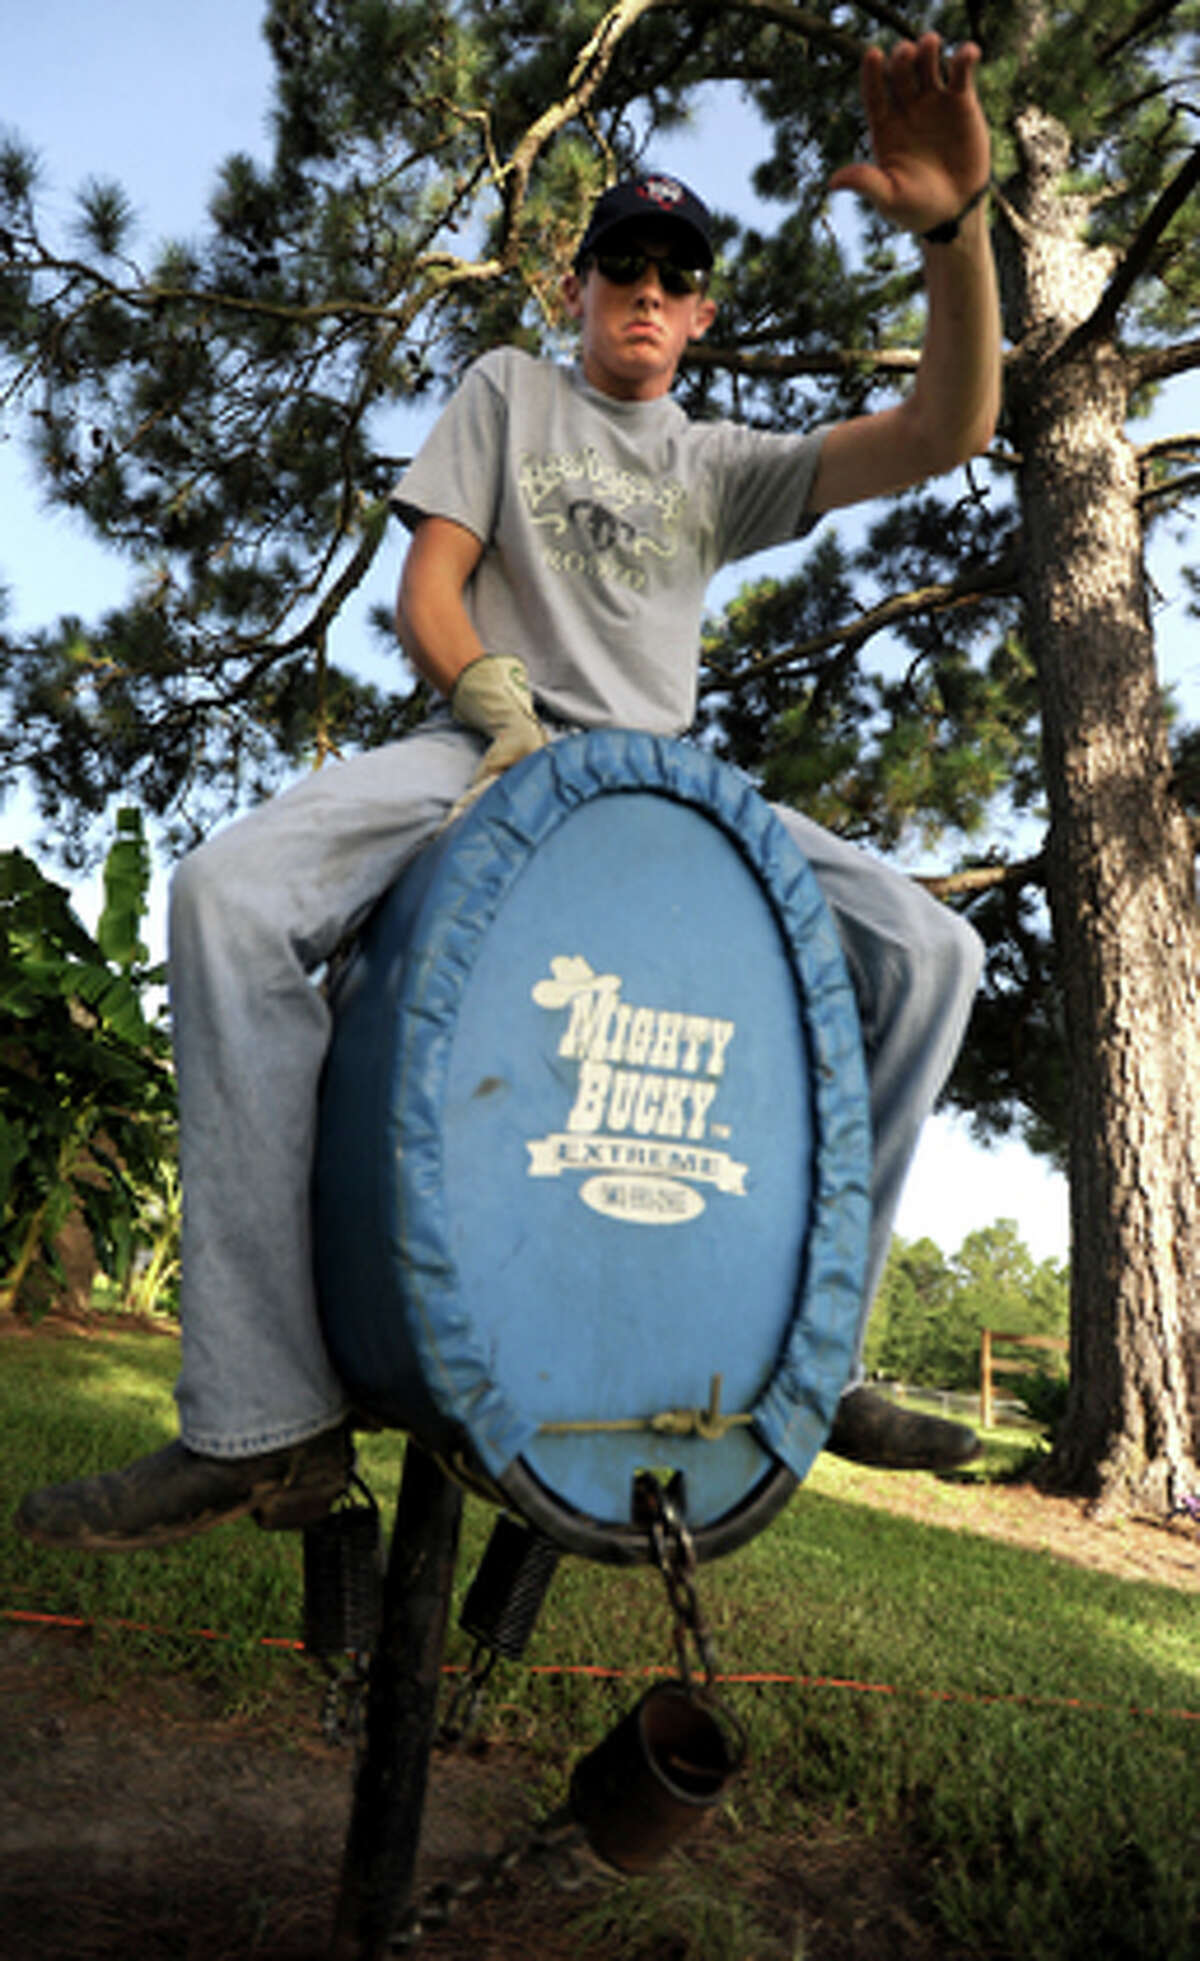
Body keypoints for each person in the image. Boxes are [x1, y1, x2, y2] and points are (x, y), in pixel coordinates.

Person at [15, 34, 1000, 1552]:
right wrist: (489, 699)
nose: (648, 298)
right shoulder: (508, 391)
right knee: (226, 898)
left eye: (677, 280)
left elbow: (949, 431)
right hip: (488, 741)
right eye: (624, 269)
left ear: (702, 316)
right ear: (578, 289)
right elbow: (432, 585)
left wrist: (955, 231)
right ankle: (267, 1420)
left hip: (659, 782)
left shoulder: (721, 465)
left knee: (935, 953)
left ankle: (822, 1358)